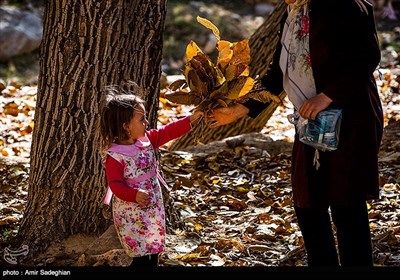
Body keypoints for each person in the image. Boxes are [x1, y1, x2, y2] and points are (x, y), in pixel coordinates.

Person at [207, 0, 383, 266]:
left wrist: (328, 96)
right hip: (310, 119)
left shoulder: (345, 5)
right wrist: (238, 110)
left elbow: (368, 56)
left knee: (346, 204)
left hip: (350, 115)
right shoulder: (292, 14)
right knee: (308, 202)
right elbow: (277, 73)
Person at [99, 84, 203, 267]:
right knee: (139, 252)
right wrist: (134, 195)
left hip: (153, 204)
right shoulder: (115, 155)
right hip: (132, 210)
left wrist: (191, 120)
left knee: (154, 246)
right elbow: (115, 185)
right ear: (126, 126)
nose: (147, 123)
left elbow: (168, 132)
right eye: (142, 119)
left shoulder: (147, 140)